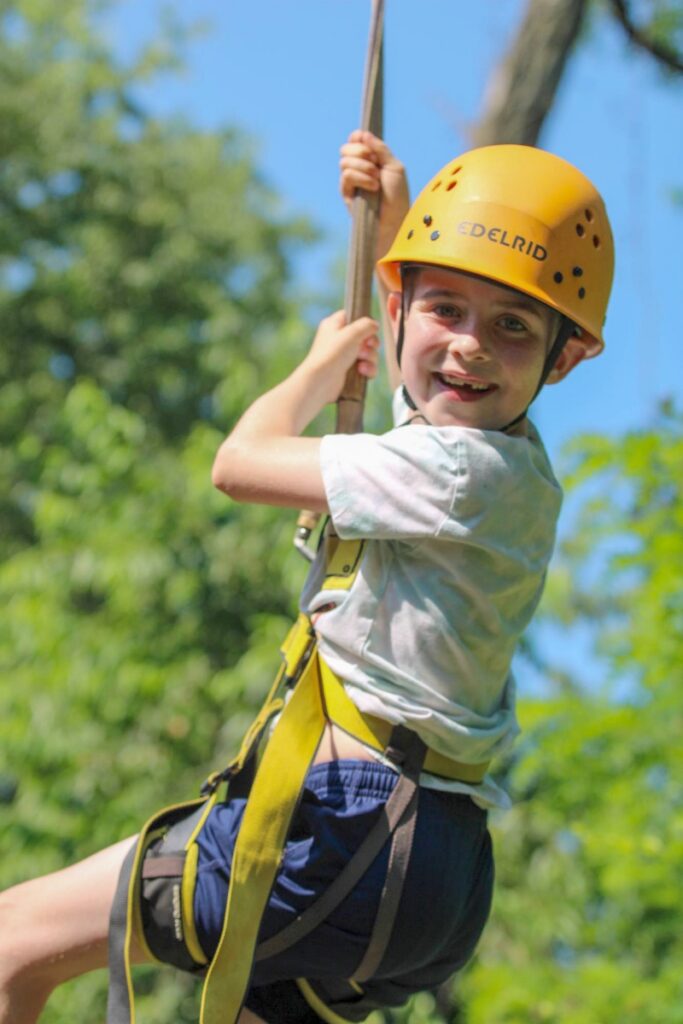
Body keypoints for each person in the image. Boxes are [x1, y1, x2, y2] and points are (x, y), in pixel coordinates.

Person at [0, 130, 613, 1024]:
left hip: (340, 833)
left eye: (511, 327)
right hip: (431, 873)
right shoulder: (499, 468)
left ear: (562, 357)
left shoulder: (451, 473)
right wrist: (396, 225)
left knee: (14, 941)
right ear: (406, 305)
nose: (470, 348)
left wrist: (319, 365)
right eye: (445, 308)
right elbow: (432, 368)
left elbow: (239, 462)